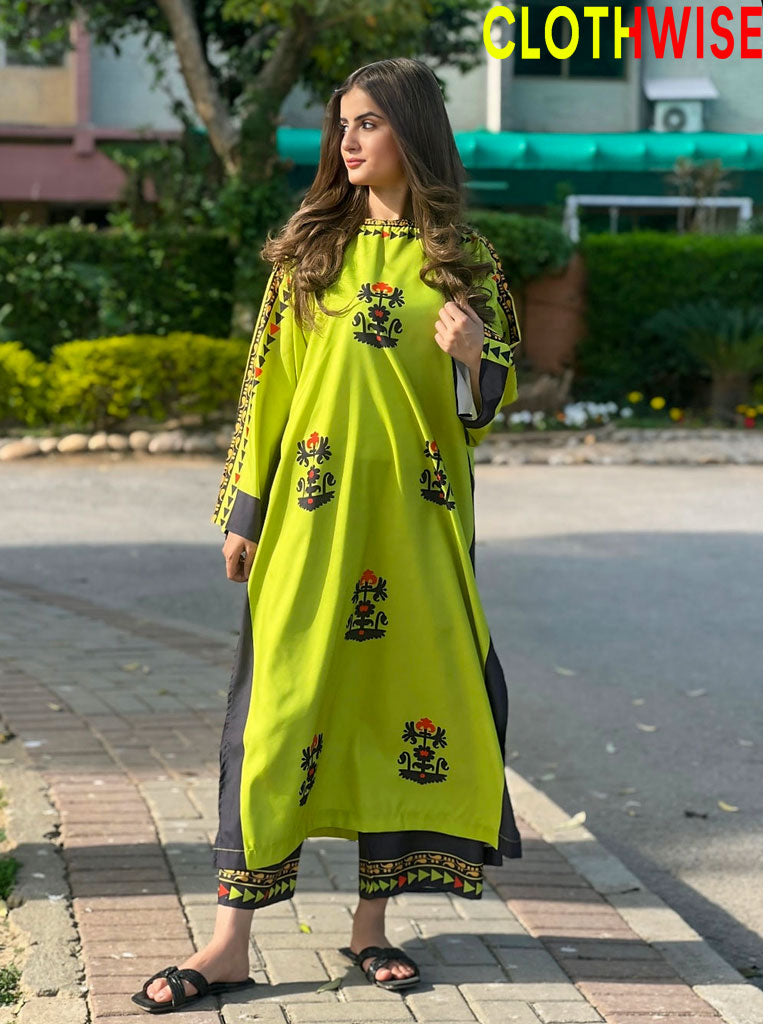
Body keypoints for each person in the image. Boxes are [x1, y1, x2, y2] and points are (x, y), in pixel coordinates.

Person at [132, 55, 523, 1015]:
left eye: (367, 123)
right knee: (277, 714)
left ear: (412, 132)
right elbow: (266, 388)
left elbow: (488, 404)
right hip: (311, 520)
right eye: (342, 123)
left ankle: (370, 927)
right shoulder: (310, 252)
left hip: (417, 527)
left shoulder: (467, 261)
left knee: (398, 710)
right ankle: (229, 943)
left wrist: (477, 357)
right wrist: (245, 511)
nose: (347, 141)